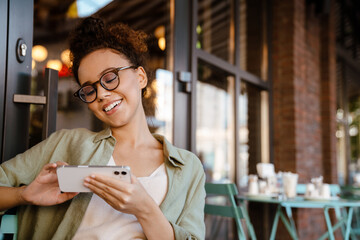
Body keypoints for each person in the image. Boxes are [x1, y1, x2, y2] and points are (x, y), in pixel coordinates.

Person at [0, 17, 206, 240]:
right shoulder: (68, 143)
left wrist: (145, 209)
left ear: (140, 77)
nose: (101, 94)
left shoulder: (187, 167)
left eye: (110, 78)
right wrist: (24, 195)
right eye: (89, 90)